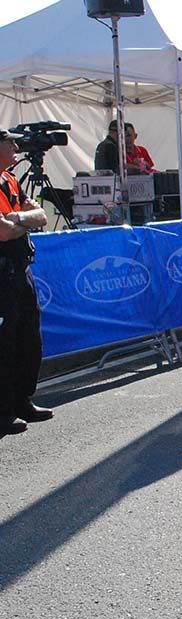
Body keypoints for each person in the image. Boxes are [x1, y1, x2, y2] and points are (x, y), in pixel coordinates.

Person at [0, 130, 53, 436]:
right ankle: (3, 409)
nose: (17, 148)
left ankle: (22, 400)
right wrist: (23, 218)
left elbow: (42, 214)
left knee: (28, 338)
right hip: (1, 274)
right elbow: (3, 232)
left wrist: (19, 218)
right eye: (11, 144)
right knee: (4, 344)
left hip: (21, 269)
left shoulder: (9, 179)